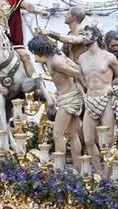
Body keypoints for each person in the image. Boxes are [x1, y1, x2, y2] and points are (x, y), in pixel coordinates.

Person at [28, 35, 84, 169]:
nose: (35, 55)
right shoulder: (59, 55)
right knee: (72, 134)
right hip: (73, 96)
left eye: (35, 52)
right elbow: (77, 67)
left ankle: (60, 169)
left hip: (67, 99)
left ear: (40, 50)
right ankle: (78, 169)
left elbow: (77, 73)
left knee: (57, 134)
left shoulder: (55, 62)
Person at [77, 25, 118, 174]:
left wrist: (108, 87)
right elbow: (82, 79)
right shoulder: (81, 58)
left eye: (87, 34)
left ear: (96, 37)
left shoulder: (108, 57)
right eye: (83, 34)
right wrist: (90, 90)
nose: (84, 37)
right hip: (91, 99)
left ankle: (109, 175)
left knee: (108, 140)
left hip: (106, 98)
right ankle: (99, 174)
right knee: (88, 140)